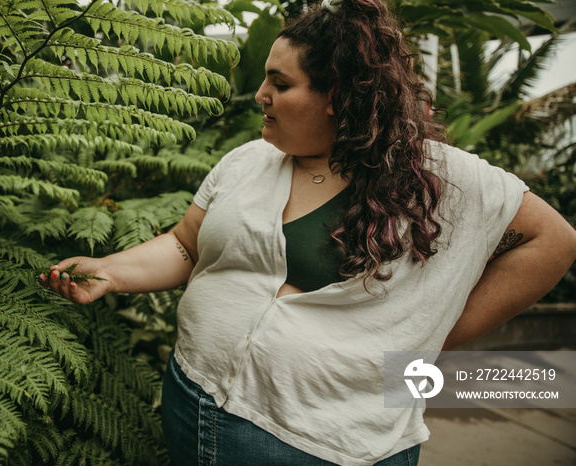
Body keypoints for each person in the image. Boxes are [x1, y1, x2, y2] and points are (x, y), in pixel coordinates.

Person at [39, 0, 576, 464]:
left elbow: (554, 241)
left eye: (280, 83)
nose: (259, 96)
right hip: (192, 397)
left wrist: (429, 340)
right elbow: (185, 244)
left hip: (319, 443)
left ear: (338, 96)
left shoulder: (432, 177)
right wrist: (110, 271)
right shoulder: (250, 160)